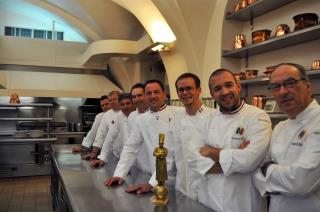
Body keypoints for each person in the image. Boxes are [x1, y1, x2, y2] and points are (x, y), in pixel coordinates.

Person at [186, 69, 272, 212]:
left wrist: (209, 151)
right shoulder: (205, 119)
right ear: (212, 95)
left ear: (238, 87)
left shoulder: (258, 117)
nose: (225, 92)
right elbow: (192, 158)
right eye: (218, 89)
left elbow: (249, 161)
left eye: (229, 85)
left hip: (242, 203)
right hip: (208, 200)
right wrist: (236, 156)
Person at [253, 63, 320, 212]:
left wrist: (268, 169)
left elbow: (300, 182)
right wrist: (280, 180)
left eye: (290, 83)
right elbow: (257, 172)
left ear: (308, 86)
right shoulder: (280, 127)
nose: (283, 91)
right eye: (275, 87)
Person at [105, 79, 182, 194]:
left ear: (164, 94)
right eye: (149, 93)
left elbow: (169, 153)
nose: (152, 96)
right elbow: (130, 147)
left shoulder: (179, 113)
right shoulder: (141, 119)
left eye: (156, 92)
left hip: (178, 179)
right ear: (146, 96)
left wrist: (151, 184)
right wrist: (119, 174)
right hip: (155, 177)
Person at [171, 72, 213, 200]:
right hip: (182, 186)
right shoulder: (176, 119)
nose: (185, 92)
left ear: (198, 90)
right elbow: (173, 154)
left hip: (207, 187)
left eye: (189, 88)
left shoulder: (213, 117)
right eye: (181, 90)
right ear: (177, 93)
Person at [90, 93, 135, 167]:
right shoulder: (110, 116)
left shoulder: (139, 116)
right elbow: (106, 136)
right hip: (118, 155)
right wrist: (101, 157)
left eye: (114, 100)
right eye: (110, 100)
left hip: (135, 160)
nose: (112, 102)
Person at [82, 91, 121, 160]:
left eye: (115, 99)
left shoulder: (127, 112)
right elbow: (98, 134)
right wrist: (86, 149)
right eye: (110, 100)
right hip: (110, 152)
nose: (105, 107)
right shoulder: (104, 115)